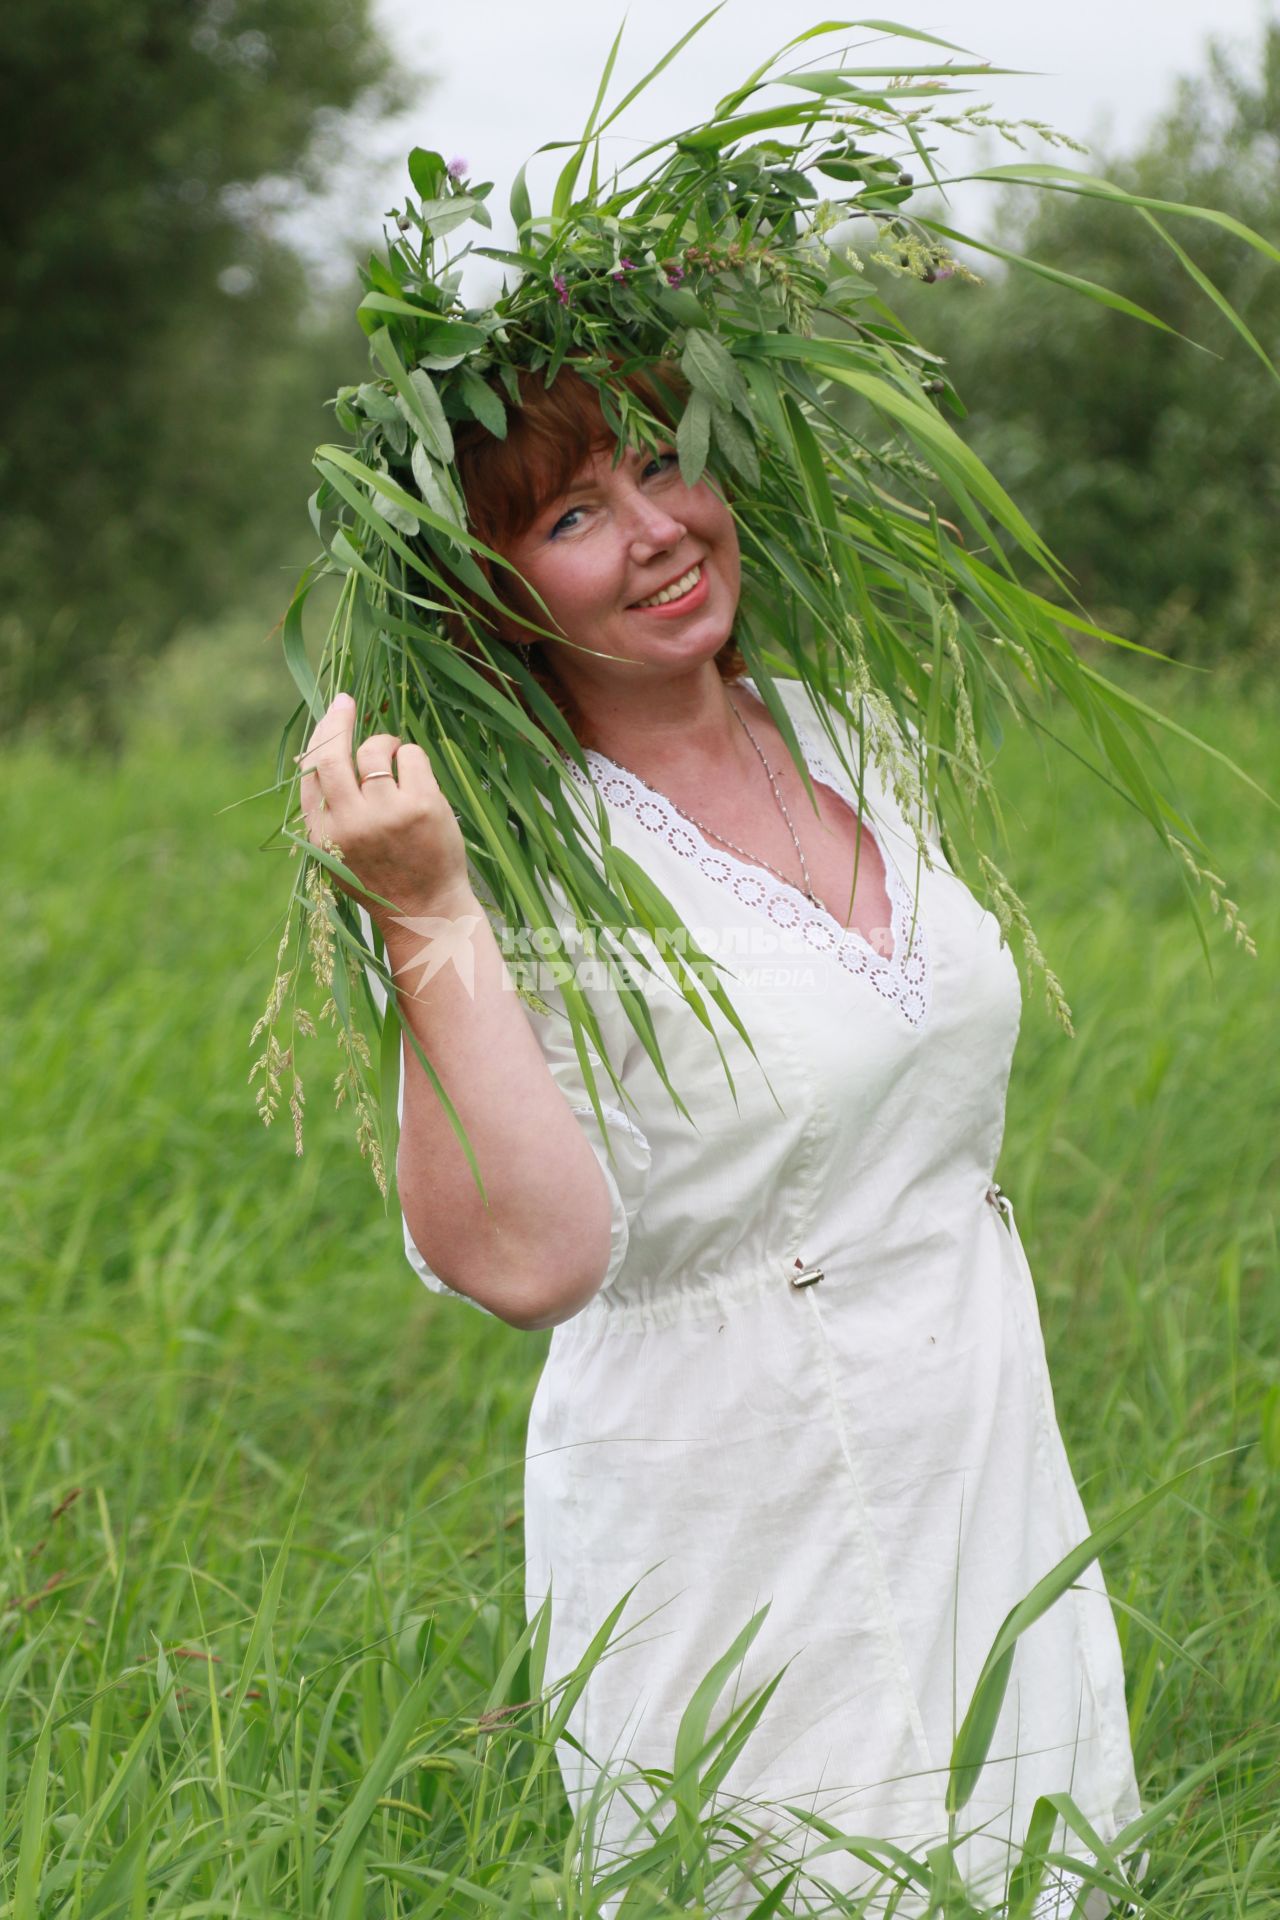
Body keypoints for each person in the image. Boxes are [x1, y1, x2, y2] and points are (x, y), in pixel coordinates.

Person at [297, 367, 1143, 1917]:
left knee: (1040, 1871)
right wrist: (422, 914)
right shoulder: (487, 856)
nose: (658, 529)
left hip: (974, 1436)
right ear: (484, 592)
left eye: (662, 466)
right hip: (729, 1495)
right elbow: (528, 1259)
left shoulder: (850, 731)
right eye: (571, 513)